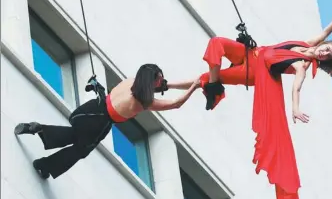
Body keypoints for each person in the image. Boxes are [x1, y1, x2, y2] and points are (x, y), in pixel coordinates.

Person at [165, 0, 332, 199]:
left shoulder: (302, 65)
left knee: (204, 79)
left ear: (325, 61)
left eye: (327, 55)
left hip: (254, 73)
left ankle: (168, 86)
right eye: (327, 48)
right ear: (325, 43)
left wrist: (295, 108)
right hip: (252, 52)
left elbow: (296, 88)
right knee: (216, 44)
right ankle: (214, 88)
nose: (324, 52)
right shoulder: (308, 43)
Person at [14, 64, 200, 180]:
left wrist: (196, 82)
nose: (162, 82)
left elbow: (166, 85)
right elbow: (176, 104)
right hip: (100, 123)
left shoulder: (131, 81)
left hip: (90, 108)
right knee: (79, 150)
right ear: (152, 81)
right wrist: (193, 88)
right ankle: (43, 163)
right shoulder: (144, 102)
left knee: (73, 135)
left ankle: (39, 131)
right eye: (159, 79)